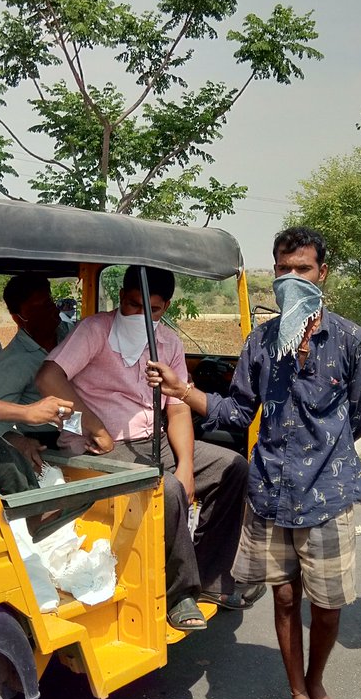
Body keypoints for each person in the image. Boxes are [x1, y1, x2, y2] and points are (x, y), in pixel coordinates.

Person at [147, 227, 361, 699]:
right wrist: (185, 392)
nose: (291, 279)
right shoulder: (260, 343)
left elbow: (359, 417)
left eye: (302, 269)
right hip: (270, 492)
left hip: (326, 494)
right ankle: (299, 695)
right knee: (285, 596)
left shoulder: (349, 340)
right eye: (282, 269)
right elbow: (235, 413)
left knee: (327, 603)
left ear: (322, 273)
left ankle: (317, 681)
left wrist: (322, 454)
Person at [36, 265, 252, 632]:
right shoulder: (96, 331)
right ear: (121, 298)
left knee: (233, 468)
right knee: (164, 489)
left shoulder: (169, 343)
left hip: (152, 441)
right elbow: (48, 377)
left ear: (165, 307)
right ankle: (178, 594)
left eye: (150, 309)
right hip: (100, 448)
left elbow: (179, 407)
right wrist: (91, 421)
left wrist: (185, 464)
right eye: (133, 305)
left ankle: (212, 578)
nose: (139, 315)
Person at [0, 273, 75, 446]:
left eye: (49, 304)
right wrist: (19, 441)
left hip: (85, 428)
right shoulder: (12, 363)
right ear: (17, 318)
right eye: (38, 309)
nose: (50, 312)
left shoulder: (73, 334)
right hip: (47, 441)